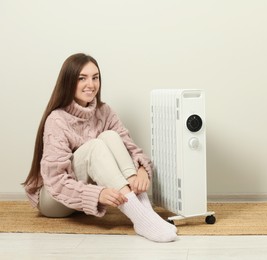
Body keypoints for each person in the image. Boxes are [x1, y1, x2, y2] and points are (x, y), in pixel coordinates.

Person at [22, 53, 177, 242]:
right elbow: (56, 181)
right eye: (82, 78)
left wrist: (142, 171)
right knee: (95, 146)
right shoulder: (57, 119)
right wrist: (97, 193)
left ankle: (146, 212)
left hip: (78, 196)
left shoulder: (104, 111)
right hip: (53, 200)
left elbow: (131, 148)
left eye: (95, 77)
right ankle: (142, 218)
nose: (91, 84)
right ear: (69, 81)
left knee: (110, 136)